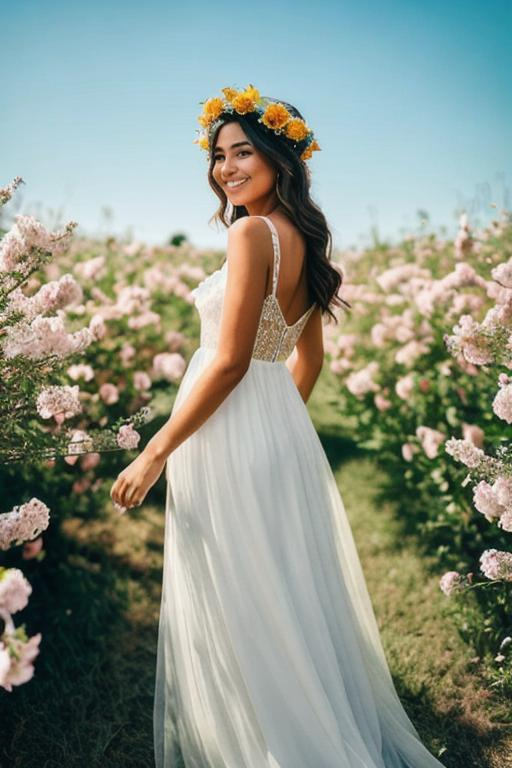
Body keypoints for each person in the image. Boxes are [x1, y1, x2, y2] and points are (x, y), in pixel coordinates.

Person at [111, 84, 447, 767]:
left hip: (227, 429)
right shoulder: (307, 243)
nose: (226, 168)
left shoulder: (250, 233)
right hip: (270, 430)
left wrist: (157, 452)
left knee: (237, 592)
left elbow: (231, 360)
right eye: (218, 156)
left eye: (243, 153)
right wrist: (277, 431)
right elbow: (307, 360)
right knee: (276, 586)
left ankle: (263, 744)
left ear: (278, 160)